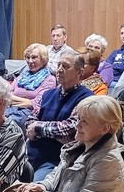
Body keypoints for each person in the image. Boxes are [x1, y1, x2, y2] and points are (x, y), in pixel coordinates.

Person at [25, 51, 94, 183]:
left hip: (56, 159)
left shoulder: (86, 98)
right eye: (59, 65)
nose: (60, 69)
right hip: (31, 153)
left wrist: (38, 128)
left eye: (66, 66)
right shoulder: (48, 94)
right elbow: (30, 120)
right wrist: (50, 133)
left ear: (80, 72)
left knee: (30, 190)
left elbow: (70, 128)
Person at [5, 43, 56, 129]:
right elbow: (6, 94)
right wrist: (26, 101)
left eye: (34, 57)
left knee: (8, 123)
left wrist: (11, 99)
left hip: (29, 114)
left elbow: (35, 104)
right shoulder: (22, 76)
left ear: (43, 59)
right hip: (10, 109)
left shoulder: (50, 79)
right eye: (28, 57)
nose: (30, 61)